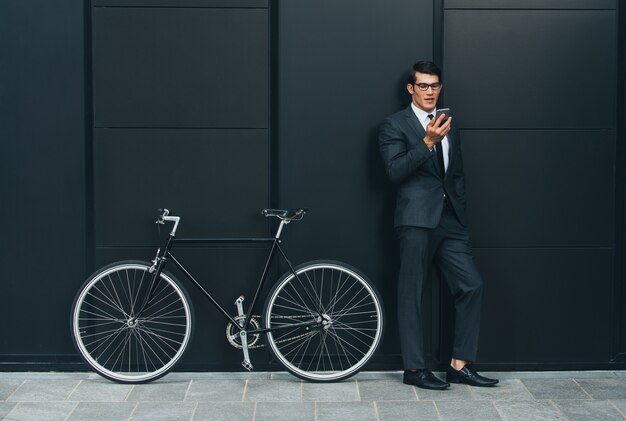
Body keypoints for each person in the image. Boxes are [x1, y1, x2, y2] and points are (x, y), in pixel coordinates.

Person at [378, 60, 498, 390]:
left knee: (471, 284)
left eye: (435, 86)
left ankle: (459, 364)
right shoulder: (394, 125)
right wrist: (427, 142)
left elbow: (455, 173)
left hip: (450, 220)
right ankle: (415, 369)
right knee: (411, 293)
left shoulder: (448, 122)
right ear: (411, 89)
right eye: (423, 86)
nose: (430, 92)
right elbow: (394, 172)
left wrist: (458, 210)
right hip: (416, 220)